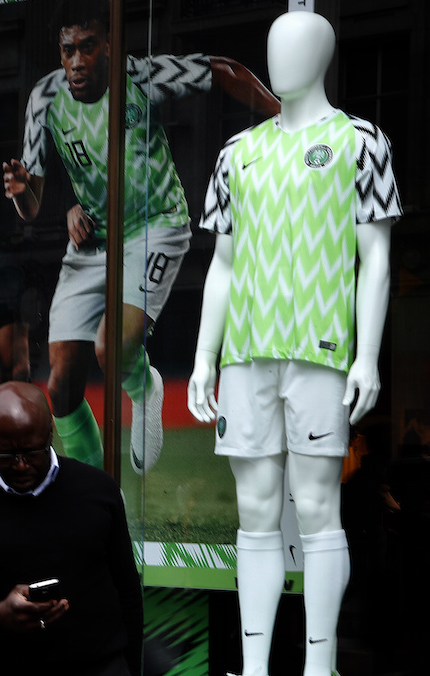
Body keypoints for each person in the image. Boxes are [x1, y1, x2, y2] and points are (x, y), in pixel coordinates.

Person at [187, 12, 401, 676]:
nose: (284, 58)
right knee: (254, 512)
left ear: (325, 55)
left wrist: (367, 354)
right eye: (275, 46)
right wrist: (202, 357)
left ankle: (319, 663)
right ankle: (255, 666)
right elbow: (220, 265)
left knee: (315, 505)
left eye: (299, 45)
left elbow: (378, 260)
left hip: (321, 350)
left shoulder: (361, 142)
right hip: (245, 352)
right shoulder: (237, 153)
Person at [1, 0, 280, 473]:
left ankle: (143, 387)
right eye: (68, 49)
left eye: (88, 47)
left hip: (157, 226)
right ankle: (96, 490)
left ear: (108, 46)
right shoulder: (44, 99)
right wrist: (24, 192)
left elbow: (223, 68)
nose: (77, 61)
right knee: (62, 382)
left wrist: (285, 119)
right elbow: (30, 209)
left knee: (114, 349)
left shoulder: (141, 77)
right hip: (93, 241)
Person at [0, 381, 142, 676]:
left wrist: (131, 666)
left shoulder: (97, 489)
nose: (21, 466)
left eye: (33, 452)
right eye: (5, 454)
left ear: (51, 433)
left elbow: (128, 591)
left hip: (102, 667)